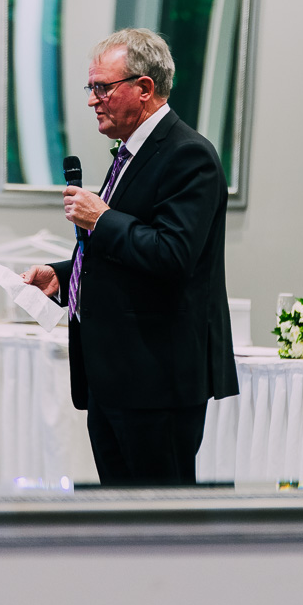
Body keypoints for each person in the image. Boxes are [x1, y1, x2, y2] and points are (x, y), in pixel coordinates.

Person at [23, 28, 238, 487]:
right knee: (120, 523)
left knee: (161, 528)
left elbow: (173, 253)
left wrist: (101, 218)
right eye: (91, 88)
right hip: (115, 377)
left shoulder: (189, 155)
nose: (92, 100)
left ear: (144, 89)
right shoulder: (131, 154)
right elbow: (126, 253)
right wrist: (63, 277)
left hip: (155, 379)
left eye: (102, 87)